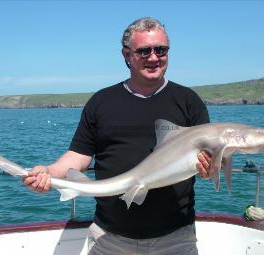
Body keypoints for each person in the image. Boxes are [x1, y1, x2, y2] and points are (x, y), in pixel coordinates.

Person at [23, 17, 211, 255]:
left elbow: (208, 161)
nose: (154, 58)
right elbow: (78, 156)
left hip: (175, 238)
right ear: (126, 55)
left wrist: (211, 167)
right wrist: (48, 173)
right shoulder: (101, 102)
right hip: (110, 238)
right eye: (144, 51)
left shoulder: (188, 101)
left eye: (161, 50)